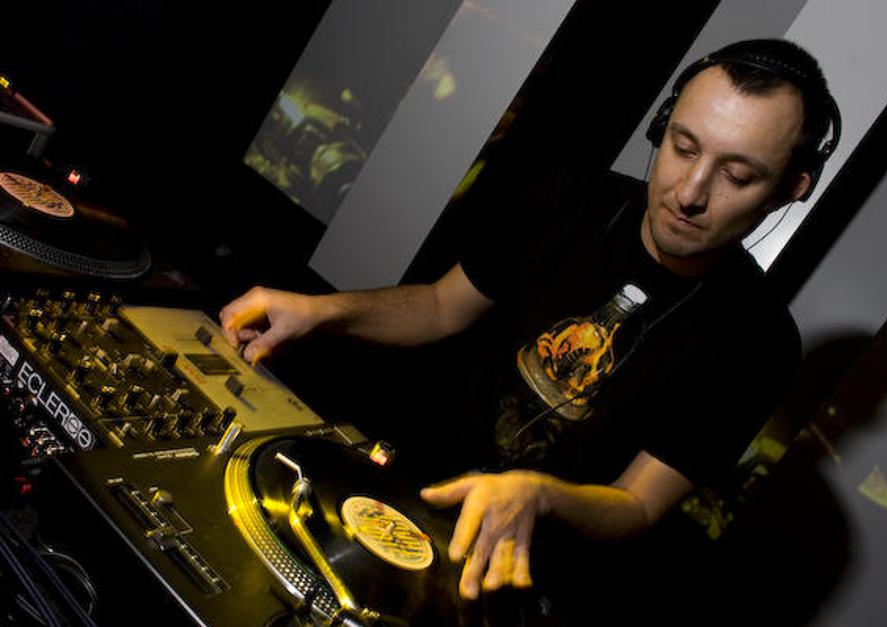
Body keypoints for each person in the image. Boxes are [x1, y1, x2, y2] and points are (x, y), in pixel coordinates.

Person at [220, 39, 839, 605]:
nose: (690, 191)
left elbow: (638, 505)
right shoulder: (569, 197)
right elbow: (440, 307)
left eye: (736, 175)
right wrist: (323, 310)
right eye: (682, 147)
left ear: (790, 188)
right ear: (661, 127)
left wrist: (540, 494)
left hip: (520, 585)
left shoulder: (759, 341)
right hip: (403, 498)